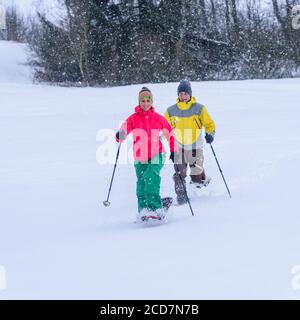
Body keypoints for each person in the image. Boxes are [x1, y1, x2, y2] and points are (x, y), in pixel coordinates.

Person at [116, 87, 176, 220]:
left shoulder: (158, 118)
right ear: (139, 102)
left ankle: (156, 207)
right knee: (141, 182)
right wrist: (120, 135)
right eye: (143, 100)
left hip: (157, 154)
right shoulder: (133, 118)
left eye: (148, 100)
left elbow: (169, 134)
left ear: (152, 101)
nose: (145, 103)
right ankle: (143, 209)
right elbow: (123, 130)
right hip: (140, 156)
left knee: (150, 176)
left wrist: (173, 150)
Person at [165, 79, 216, 205]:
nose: (183, 96)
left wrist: (210, 134)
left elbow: (210, 124)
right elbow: (164, 127)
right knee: (179, 174)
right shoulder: (171, 110)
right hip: (179, 147)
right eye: (181, 93)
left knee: (196, 176)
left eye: (185, 93)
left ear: (190, 94)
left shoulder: (199, 108)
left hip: (195, 145)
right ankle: (182, 198)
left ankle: (201, 179)